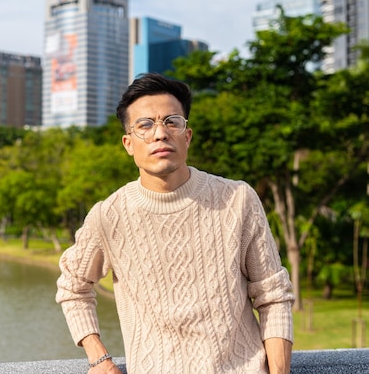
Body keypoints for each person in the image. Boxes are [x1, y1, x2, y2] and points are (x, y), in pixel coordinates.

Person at [55, 72, 295, 374]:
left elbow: (273, 296)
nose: (160, 133)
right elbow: (73, 287)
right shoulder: (109, 215)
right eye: (145, 125)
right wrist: (99, 358)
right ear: (128, 143)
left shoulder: (237, 199)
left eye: (172, 121)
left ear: (187, 135)